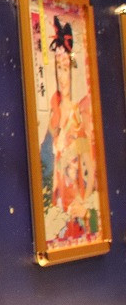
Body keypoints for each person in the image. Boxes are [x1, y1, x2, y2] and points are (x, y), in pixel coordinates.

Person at [47, 17, 93, 239]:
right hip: (58, 198)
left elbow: (90, 166)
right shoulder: (54, 114)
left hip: (75, 197)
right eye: (59, 68)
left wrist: (84, 202)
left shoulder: (78, 115)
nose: (62, 76)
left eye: (66, 68)